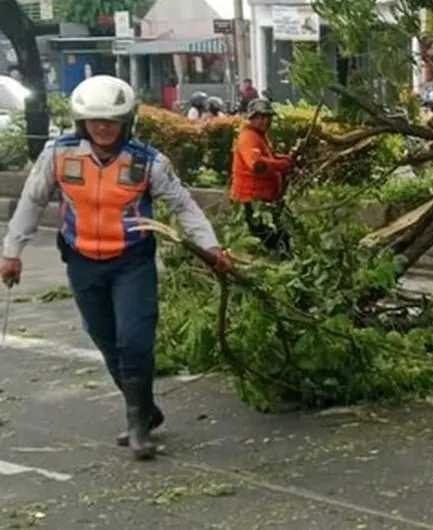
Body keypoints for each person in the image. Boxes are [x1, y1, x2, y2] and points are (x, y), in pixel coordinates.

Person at [0, 75, 231, 461]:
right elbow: (31, 202)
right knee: (105, 338)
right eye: (95, 120)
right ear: (81, 122)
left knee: (135, 341)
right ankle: (145, 407)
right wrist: (11, 252)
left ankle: (138, 426)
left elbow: (184, 207)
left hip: (132, 260)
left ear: (127, 122)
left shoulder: (148, 163)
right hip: (81, 260)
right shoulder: (59, 155)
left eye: (111, 120)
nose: (103, 128)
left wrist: (210, 248)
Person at [230, 98, 294, 255]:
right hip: (254, 200)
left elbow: (268, 157)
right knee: (269, 237)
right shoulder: (248, 138)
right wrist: (282, 165)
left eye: (268, 117)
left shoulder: (259, 136)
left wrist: (285, 160)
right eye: (261, 117)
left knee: (277, 234)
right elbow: (257, 164)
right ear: (252, 118)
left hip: (264, 199)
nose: (266, 121)